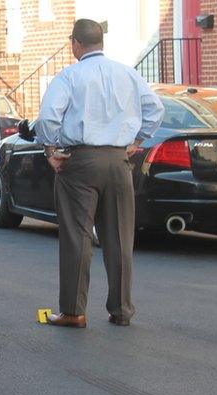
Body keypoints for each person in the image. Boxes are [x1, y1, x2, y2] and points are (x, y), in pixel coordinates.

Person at [35, 19, 164, 329]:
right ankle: (121, 310)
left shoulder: (69, 76)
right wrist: (137, 140)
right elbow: (155, 109)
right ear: (100, 42)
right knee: (120, 236)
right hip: (119, 161)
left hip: (80, 160)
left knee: (77, 236)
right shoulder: (128, 74)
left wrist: (51, 150)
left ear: (75, 43)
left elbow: (48, 117)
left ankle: (73, 311)